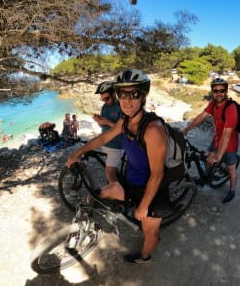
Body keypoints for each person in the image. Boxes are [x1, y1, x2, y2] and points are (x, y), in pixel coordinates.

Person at [67, 69, 170, 264]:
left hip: (153, 192)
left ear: (143, 96)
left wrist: (144, 206)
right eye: (123, 94)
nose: (128, 100)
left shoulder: (152, 129)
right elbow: (105, 137)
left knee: (151, 234)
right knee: (95, 196)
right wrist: (78, 152)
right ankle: (90, 229)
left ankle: (144, 256)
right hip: (131, 182)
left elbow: (157, 174)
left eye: (134, 94)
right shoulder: (125, 120)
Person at [183, 78, 239, 204]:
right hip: (217, 139)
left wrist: (219, 156)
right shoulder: (213, 103)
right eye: (215, 90)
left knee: (231, 169)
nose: (218, 93)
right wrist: (187, 129)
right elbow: (202, 116)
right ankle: (208, 178)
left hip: (230, 144)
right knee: (208, 159)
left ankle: (232, 190)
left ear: (226, 91)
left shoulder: (231, 108)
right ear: (212, 92)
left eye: (221, 90)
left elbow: (227, 134)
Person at [92, 81, 123, 183]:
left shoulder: (122, 107)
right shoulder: (104, 107)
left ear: (114, 94)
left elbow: (123, 130)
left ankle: (117, 195)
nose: (105, 101)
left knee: (109, 173)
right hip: (105, 143)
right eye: (102, 99)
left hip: (116, 145)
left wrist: (108, 122)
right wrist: (98, 121)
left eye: (107, 98)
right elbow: (102, 125)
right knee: (113, 171)